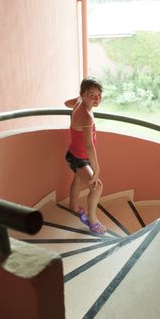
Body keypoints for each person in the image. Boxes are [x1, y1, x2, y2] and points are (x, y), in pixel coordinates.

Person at [64, 76, 106, 234]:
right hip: (78, 158)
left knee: (78, 179)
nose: (97, 99)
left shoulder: (79, 102)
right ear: (82, 94)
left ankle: (73, 206)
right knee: (97, 187)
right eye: (91, 95)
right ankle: (92, 221)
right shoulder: (86, 116)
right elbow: (89, 146)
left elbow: (66, 103)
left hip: (73, 153)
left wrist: (79, 100)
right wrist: (97, 169)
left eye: (99, 95)